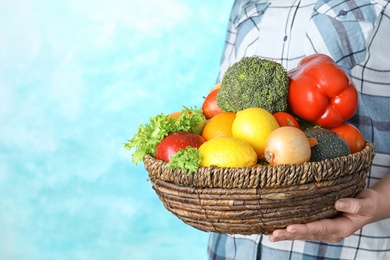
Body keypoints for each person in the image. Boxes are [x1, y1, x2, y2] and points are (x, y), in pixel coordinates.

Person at [208, 0, 390, 259]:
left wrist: (379, 204)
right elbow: (220, 105)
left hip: (346, 250)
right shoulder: (245, 5)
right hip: (233, 249)